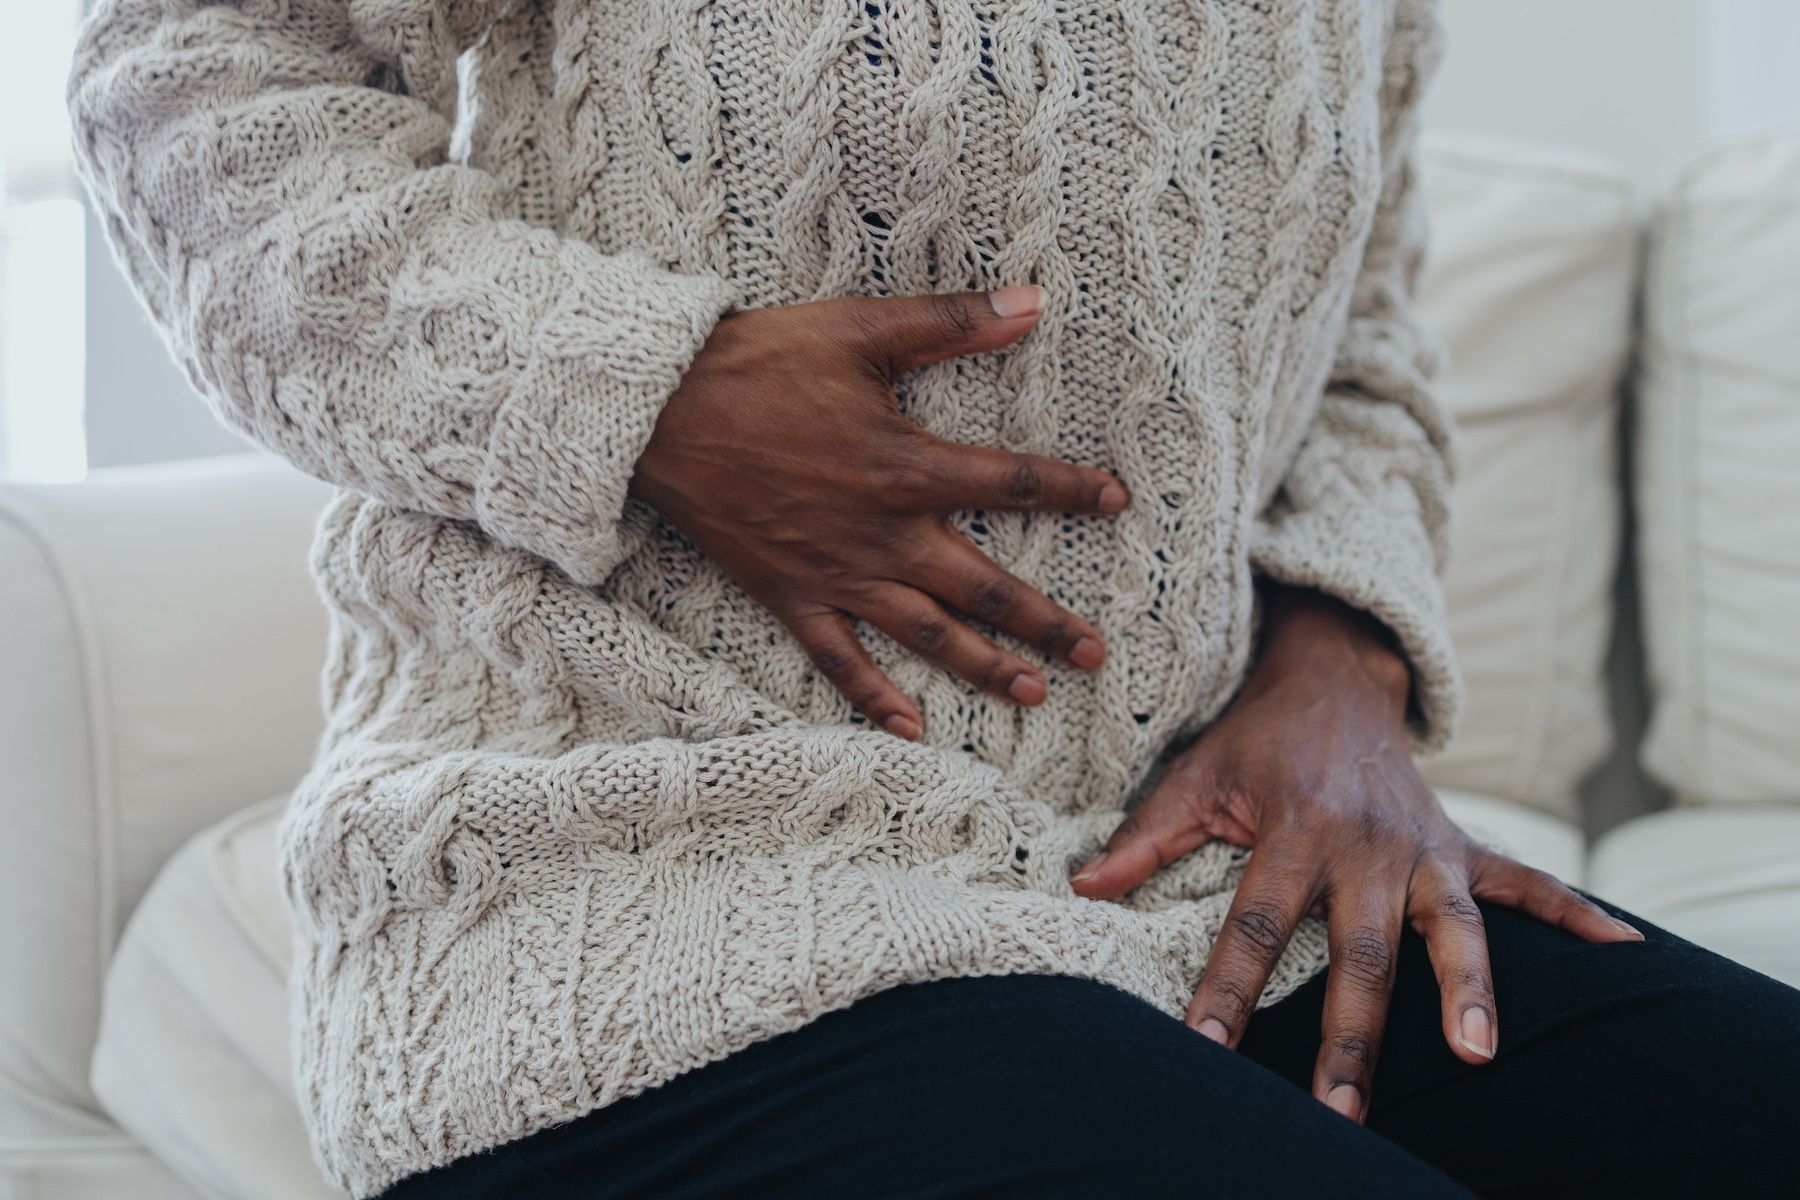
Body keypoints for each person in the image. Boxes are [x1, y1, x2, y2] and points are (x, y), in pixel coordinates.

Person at [67, 0, 1800, 1196]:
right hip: (632, 895)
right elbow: (189, 89)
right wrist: (648, 401)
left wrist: (1339, 652)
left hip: (1187, 897)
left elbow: (1364, 319)